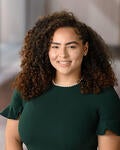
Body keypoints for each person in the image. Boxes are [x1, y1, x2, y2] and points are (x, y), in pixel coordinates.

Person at [0, 11, 120, 150]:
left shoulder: (104, 96)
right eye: (55, 46)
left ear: (85, 48)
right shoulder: (27, 86)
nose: (63, 54)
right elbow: (12, 138)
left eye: (71, 46)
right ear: (47, 50)